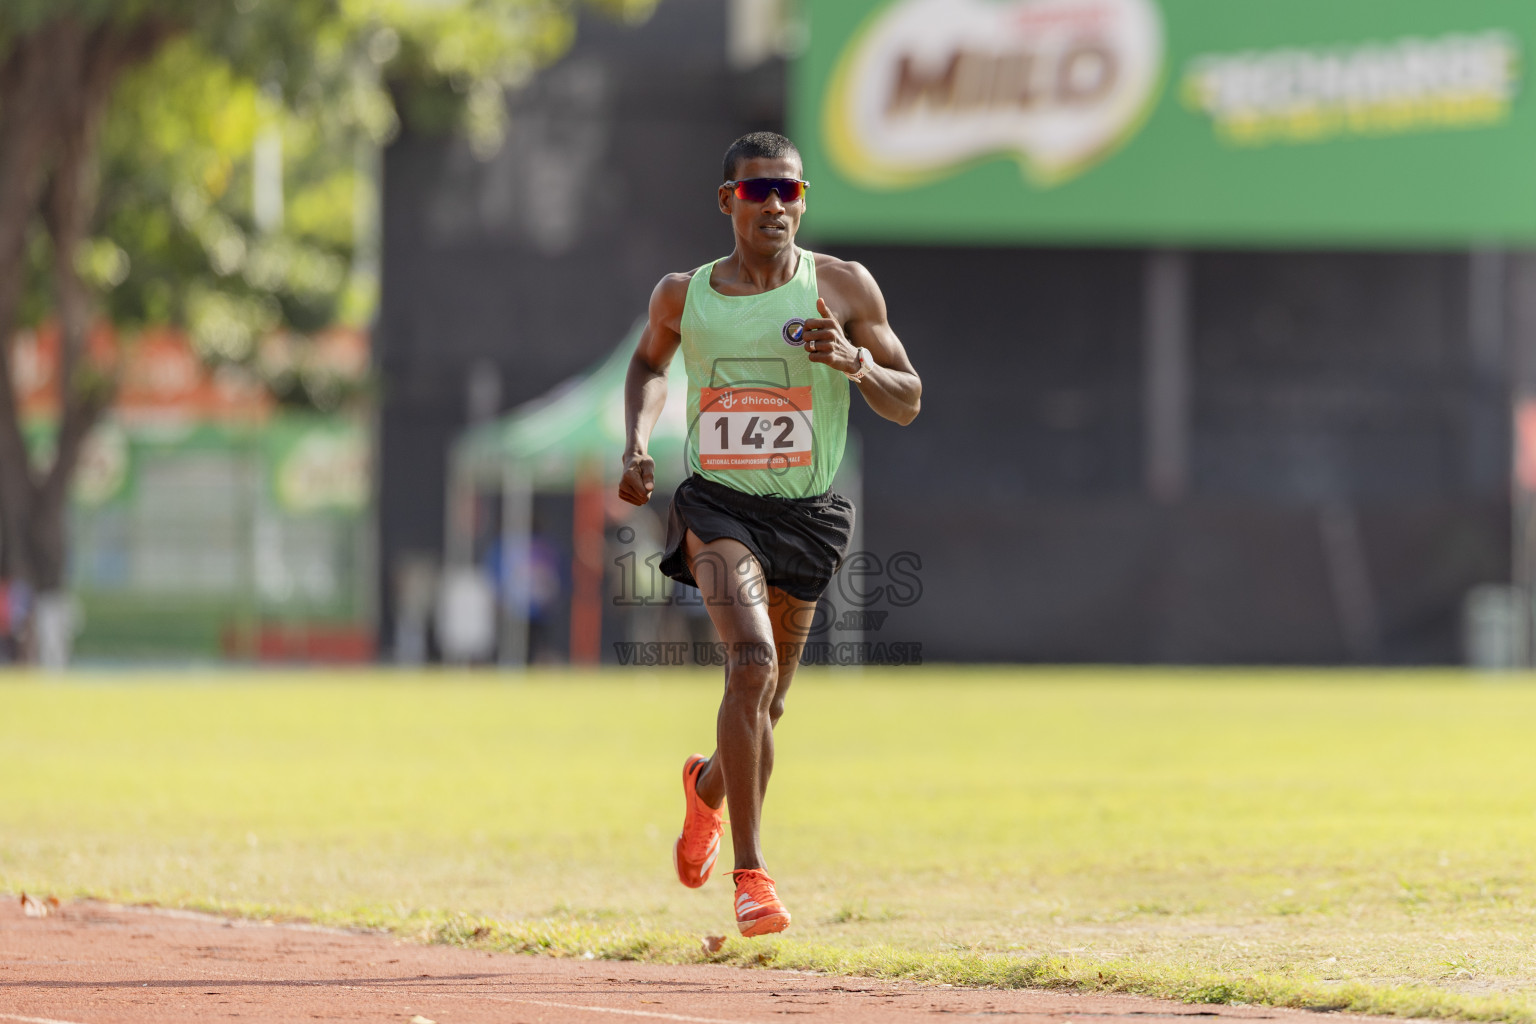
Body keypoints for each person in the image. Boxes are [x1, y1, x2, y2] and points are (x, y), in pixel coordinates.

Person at [618, 131, 922, 937]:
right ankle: (751, 876)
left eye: (790, 191)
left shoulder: (844, 289)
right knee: (748, 664)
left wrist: (853, 362)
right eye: (760, 192)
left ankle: (706, 787)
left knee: (769, 705)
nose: (777, 205)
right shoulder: (686, 296)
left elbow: (909, 397)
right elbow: (650, 365)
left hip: (808, 518)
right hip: (718, 507)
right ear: (729, 203)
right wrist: (639, 445)